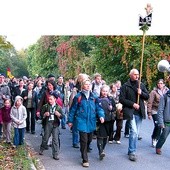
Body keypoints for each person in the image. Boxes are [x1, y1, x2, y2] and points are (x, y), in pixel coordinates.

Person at [68, 79, 105, 168]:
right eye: (86, 84)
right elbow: (73, 109)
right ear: (82, 86)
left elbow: (99, 108)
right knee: (83, 140)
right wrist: (70, 121)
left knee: (89, 139)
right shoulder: (78, 97)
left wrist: (101, 116)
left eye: (89, 84)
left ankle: (85, 149)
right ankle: (85, 159)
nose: (88, 86)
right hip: (81, 120)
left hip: (91, 121)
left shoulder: (94, 97)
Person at [119, 68, 149, 161]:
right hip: (130, 111)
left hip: (139, 112)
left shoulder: (141, 85)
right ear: (130, 75)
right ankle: (132, 151)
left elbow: (147, 96)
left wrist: (141, 93)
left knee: (135, 134)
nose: (137, 76)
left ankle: (131, 149)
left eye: (138, 74)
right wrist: (132, 104)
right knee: (134, 132)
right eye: (135, 74)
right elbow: (122, 99)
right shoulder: (125, 86)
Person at [39, 94, 63, 160]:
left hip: (55, 124)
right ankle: (42, 148)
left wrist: (59, 115)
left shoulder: (58, 107)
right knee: (46, 137)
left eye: (51, 99)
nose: (50, 101)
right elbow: (41, 115)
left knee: (55, 139)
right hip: (48, 123)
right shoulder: (46, 106)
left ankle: (55, 154)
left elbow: (62, 116)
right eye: (49, 99)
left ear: (55, 99)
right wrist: (44, 114)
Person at [147, 79, 169, 147]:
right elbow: (150, 102)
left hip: (163, 111)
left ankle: (158, 138)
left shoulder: (167, 91)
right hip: (155, 110)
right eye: (159, 83)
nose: (160, 84)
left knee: (162, 127)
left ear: (164, 84)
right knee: (158, 125)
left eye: (161, 83)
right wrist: (149, 113)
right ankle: (154, 138)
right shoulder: (154, 92)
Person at [97, 85, 116, 160]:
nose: (105, 93)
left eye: (106, 91)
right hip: (100, 120)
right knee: (100, 136)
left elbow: (114, 108)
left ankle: (103, 148)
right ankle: (100, 151)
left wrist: (112, 108)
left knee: (105, 137)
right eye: (103, 91)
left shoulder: (111, 99)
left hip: (109, 120)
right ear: (101, 91)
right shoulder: (98, 99)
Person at [155, 89, 170, 155]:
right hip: (167, 121)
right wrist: (161, 122)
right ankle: (158, 146)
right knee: (164, 136)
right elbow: (160, 110)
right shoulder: (165, 97)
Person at [0, 73, 11, 139]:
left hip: (2, 105)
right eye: (0, 77)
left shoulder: (6, 86)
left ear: (4, 78)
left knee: (2, 119)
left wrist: (5, 97)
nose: (1, 79)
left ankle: (1, 133)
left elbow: (9, 95)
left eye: (2, 77)